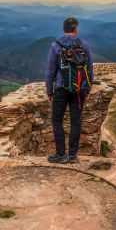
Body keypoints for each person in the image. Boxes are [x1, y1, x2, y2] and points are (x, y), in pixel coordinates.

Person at [45, 17, 93, 164]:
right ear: (75, 29)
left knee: (57, 120)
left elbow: (50, 71)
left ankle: (60, 154)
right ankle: (72, 155)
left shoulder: (56, 46)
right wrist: (87, 87)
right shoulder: (83, 45)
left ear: (63, 28)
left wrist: (49, 90)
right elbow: (90, 69)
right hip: (79, 89)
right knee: (76, 122)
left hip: (60, 88)